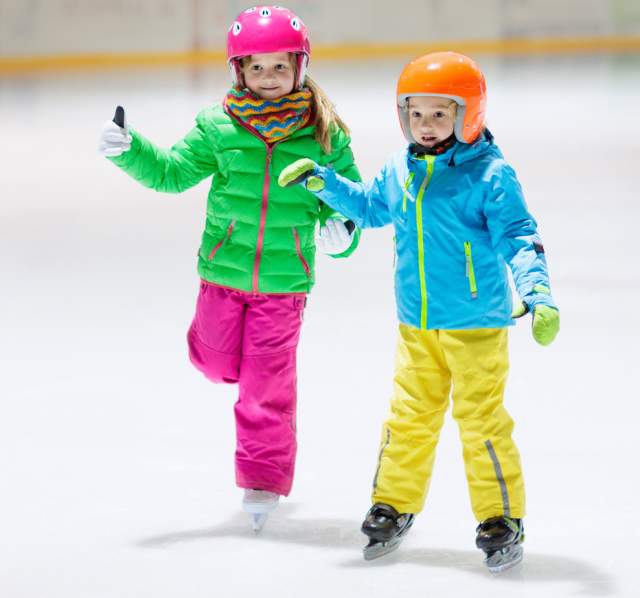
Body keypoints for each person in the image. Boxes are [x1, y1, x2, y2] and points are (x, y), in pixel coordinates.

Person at [278, 51, 559, 570]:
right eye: (415, 113)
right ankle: (393, 504)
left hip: (476, 328)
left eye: (439, 113)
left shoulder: (491, 176)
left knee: (481, 423)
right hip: (416, 327)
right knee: (408, 419)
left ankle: (501, 517)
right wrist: (323, 181)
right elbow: (367, 207)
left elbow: (519, 238)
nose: (425, 126)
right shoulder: (398, 169)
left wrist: (538, 294)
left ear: (467, 114)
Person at [98, 5, 360, 532]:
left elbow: (349, 202)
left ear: (300, 68)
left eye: (280, 68)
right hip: (222, 274)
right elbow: (172, 173)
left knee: (267, 386)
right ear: (238, 71)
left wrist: (345, 234)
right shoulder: (218, 128)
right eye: (256, 68)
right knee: (216, 363)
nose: (269, 79)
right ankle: (220, 358)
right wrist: (130, 151)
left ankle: (261, 480)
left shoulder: (324, 134)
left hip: (285, 287)